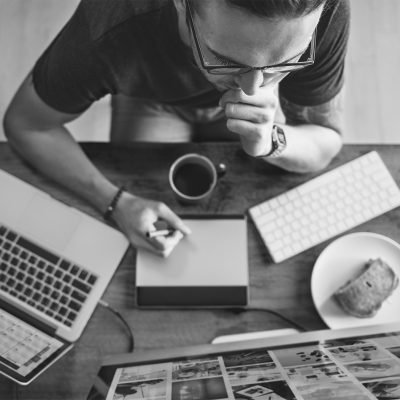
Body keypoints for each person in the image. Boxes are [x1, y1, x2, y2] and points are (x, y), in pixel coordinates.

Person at [3, 0, 350, 256]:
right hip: (152, 99)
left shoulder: (325, 11)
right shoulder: (109, 24)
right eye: (226, 61)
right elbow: (25, 125)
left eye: (287, 61)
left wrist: (274, 139)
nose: (251, 90)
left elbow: (327, 142)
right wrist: (115, 203)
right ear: (181, 5)